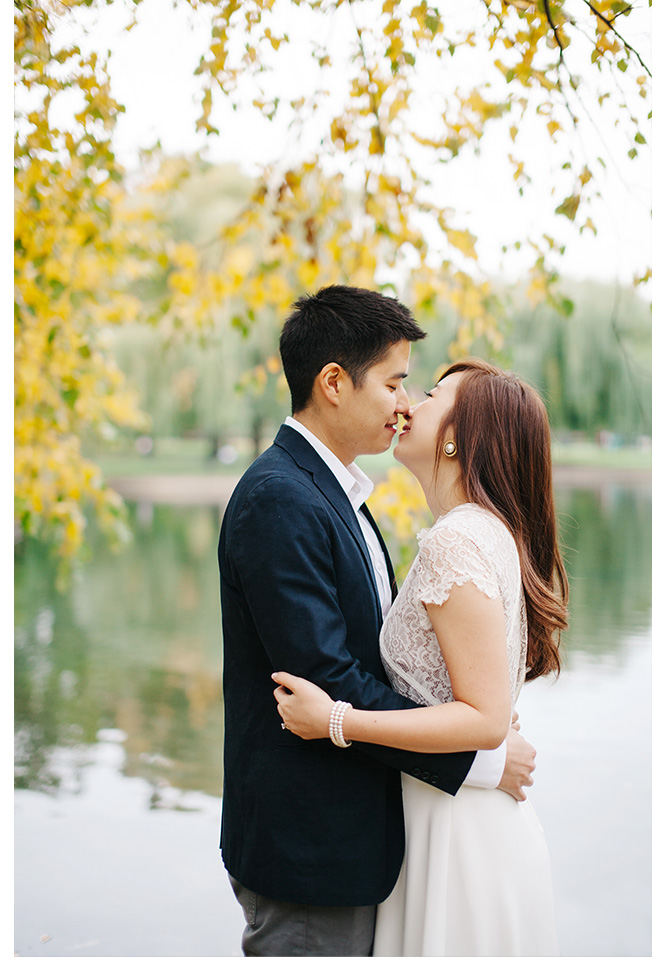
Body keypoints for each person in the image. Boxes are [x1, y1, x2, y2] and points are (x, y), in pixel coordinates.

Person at [216, 286, 538, 956]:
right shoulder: (281, 498)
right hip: (312, 853)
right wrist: (480, 763)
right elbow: (326, 678)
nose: (404, 402)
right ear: (334, 382)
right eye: (395, 382)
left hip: (372, 843)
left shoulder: (344, 498)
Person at [273, 357, 566, 956]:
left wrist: (336, 720)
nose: (408, 403)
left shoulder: (457, 541)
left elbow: (483, 719)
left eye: (431, 394)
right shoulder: (482, 531)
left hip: (459, 836)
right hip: (452, 818)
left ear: (460, 438)